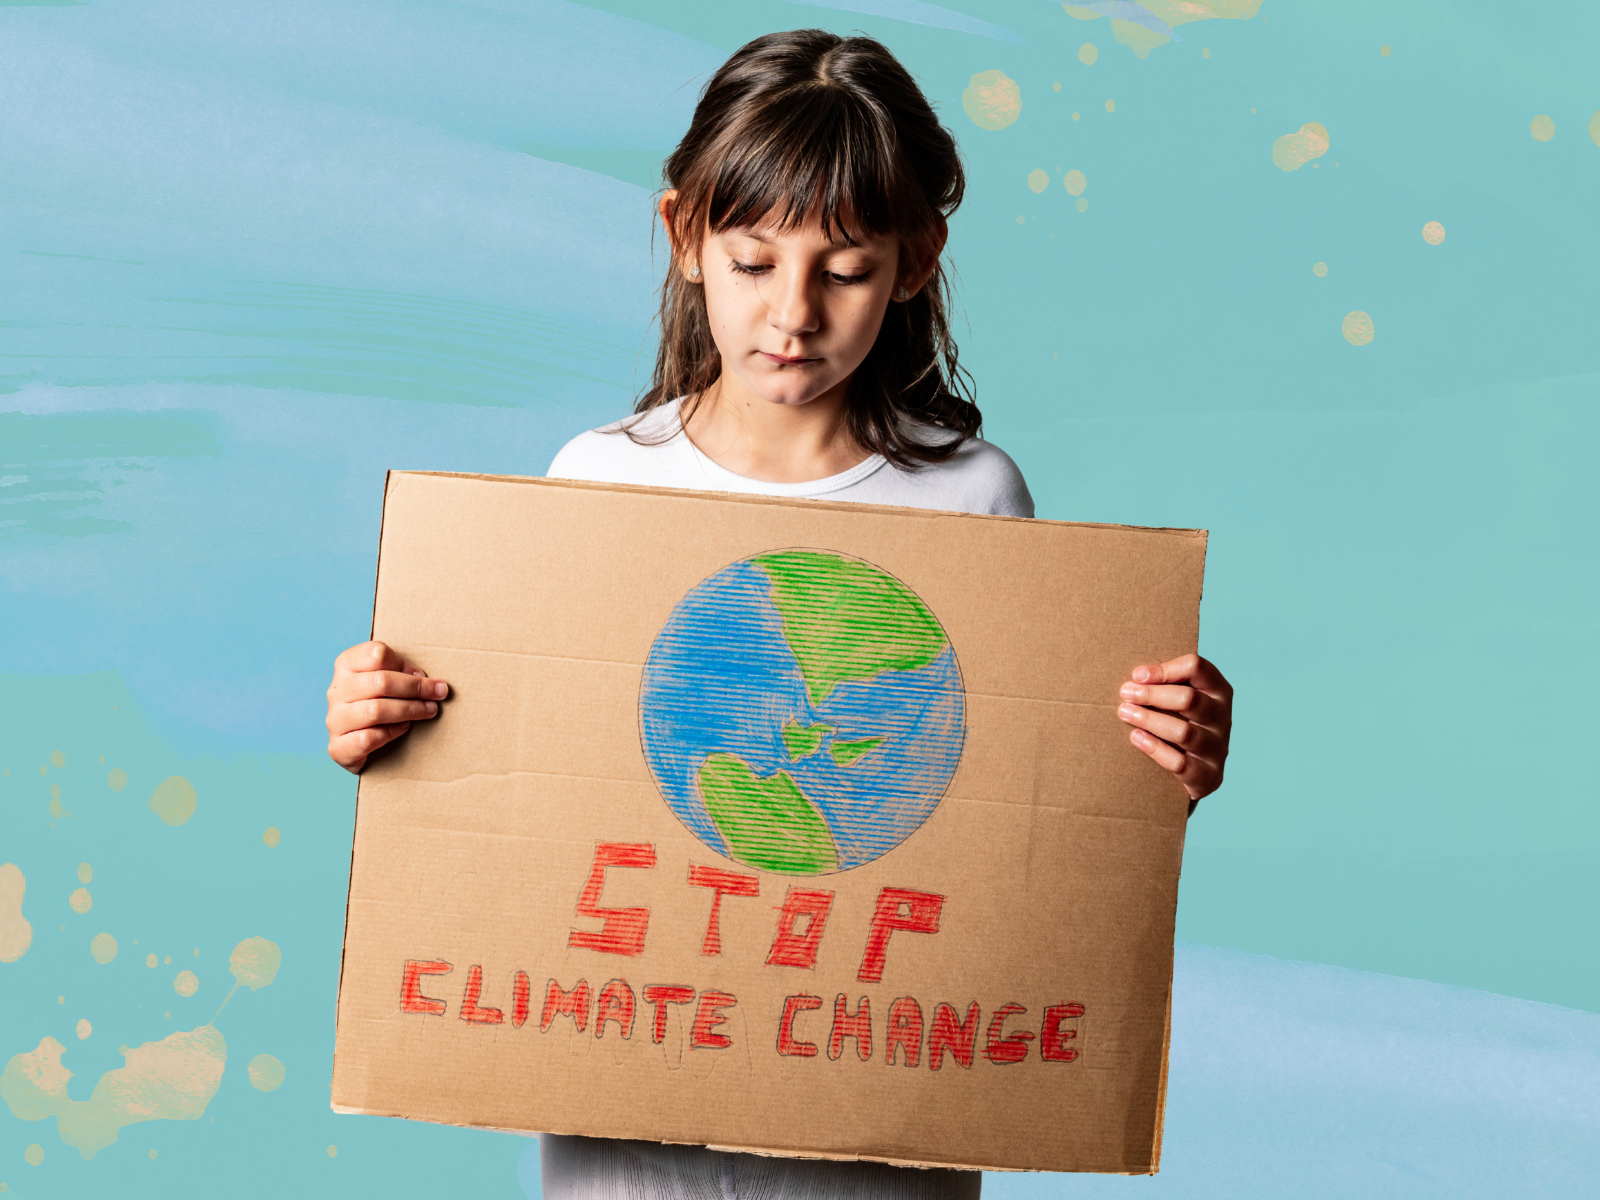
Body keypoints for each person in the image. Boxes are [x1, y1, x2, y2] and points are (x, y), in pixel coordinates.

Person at [325, 28, 1232, 1200]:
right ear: (684, 240)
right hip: (627, 1141)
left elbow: (1024, 818)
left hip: (874, 1130)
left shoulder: (971, 497)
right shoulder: (600, 484)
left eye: (843, 270)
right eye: (754, 262)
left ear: (913, 263)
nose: (792, 315)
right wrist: (383, 724)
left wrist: (1164, 753)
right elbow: (513, 793)